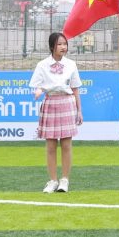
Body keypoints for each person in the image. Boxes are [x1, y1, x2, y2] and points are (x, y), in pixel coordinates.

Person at [29, 32, 82, 193]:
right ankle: (52, 180)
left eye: (65, 44)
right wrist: (38, 91)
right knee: (51, 146)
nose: (63, 47)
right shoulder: (42, 65)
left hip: (67, 103)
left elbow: (75, 88)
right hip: (50, 102)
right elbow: (36, 85)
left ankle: (64, 180)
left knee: (66, 145)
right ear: (52, 46)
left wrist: (79, 110)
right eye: (59, 44)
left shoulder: (71, 64)